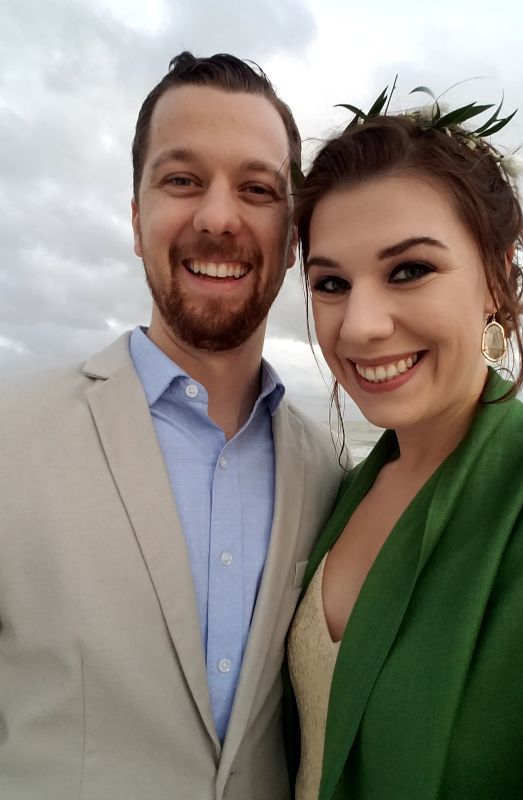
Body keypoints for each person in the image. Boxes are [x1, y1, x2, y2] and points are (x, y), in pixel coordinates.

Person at [0, 53, 347, 800]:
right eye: (183, 180)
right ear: (136, 219)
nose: (218, 217)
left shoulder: (329, 474)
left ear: (293, 237)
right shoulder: (11, 437)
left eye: (257, 189)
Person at [286, 99, 523, 799]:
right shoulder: (347, 491)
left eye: (408, 270)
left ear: (496, 277)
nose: (360, 326)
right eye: (332, 284)